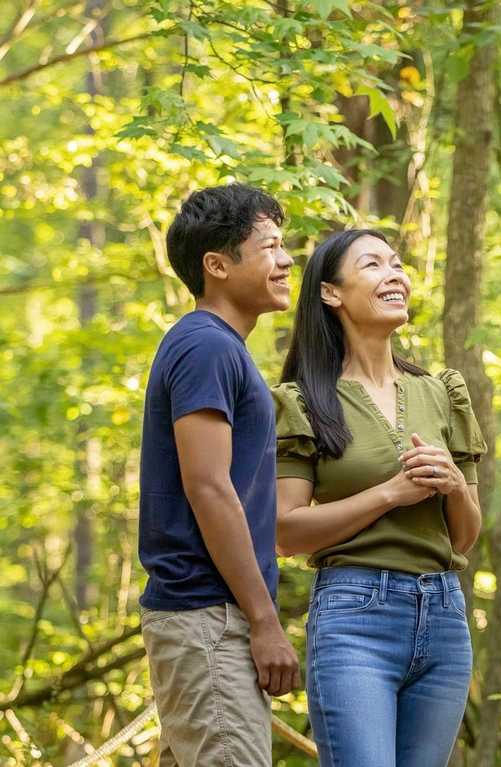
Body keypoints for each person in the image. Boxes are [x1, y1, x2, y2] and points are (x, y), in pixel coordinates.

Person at [272, 228, 486, 767]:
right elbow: (286, 532)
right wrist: (390, 493)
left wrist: (454, 485)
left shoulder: (441, 393)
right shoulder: (302, 401)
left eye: (397, 263)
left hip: (443, 615)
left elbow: (464, 536)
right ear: (331, 293)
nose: (394, 274)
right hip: (353, 617)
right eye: (373, 265)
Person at [138, 183, 301, 766]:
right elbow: (208, 486)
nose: (286, 261)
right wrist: (264, 621)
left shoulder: (216, 347)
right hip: (208, 618)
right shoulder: (207, 347)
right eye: (270, 247)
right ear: (217, 265)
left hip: (204, 620)